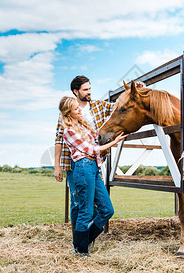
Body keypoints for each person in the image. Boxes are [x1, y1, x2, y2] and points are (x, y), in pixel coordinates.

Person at [59, 96, 128, 256]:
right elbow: (91, 150)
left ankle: (79, 243)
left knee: (107, 210)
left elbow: (98, 140)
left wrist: (115, 135)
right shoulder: (69, 131)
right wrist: (113, 143)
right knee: (86, 211)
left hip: (93, 168)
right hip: (83, 168)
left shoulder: (84, 126)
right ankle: (81, 250)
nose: (80, 109)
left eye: (79, 107)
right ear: (69, 113)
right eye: (76, 109)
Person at [54, 76, 113, 234]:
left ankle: (87, 239)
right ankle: (78, 238)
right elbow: (58, 140)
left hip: (95, 161)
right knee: (77, 202)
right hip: (73, 162)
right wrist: (57, 166)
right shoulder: (65, 114)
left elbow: (119, 107)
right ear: (76, 91)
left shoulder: (99, 106)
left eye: (90, 88)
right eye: (85, 89)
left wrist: (137, 89)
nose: (89, 92)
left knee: (94, 202)